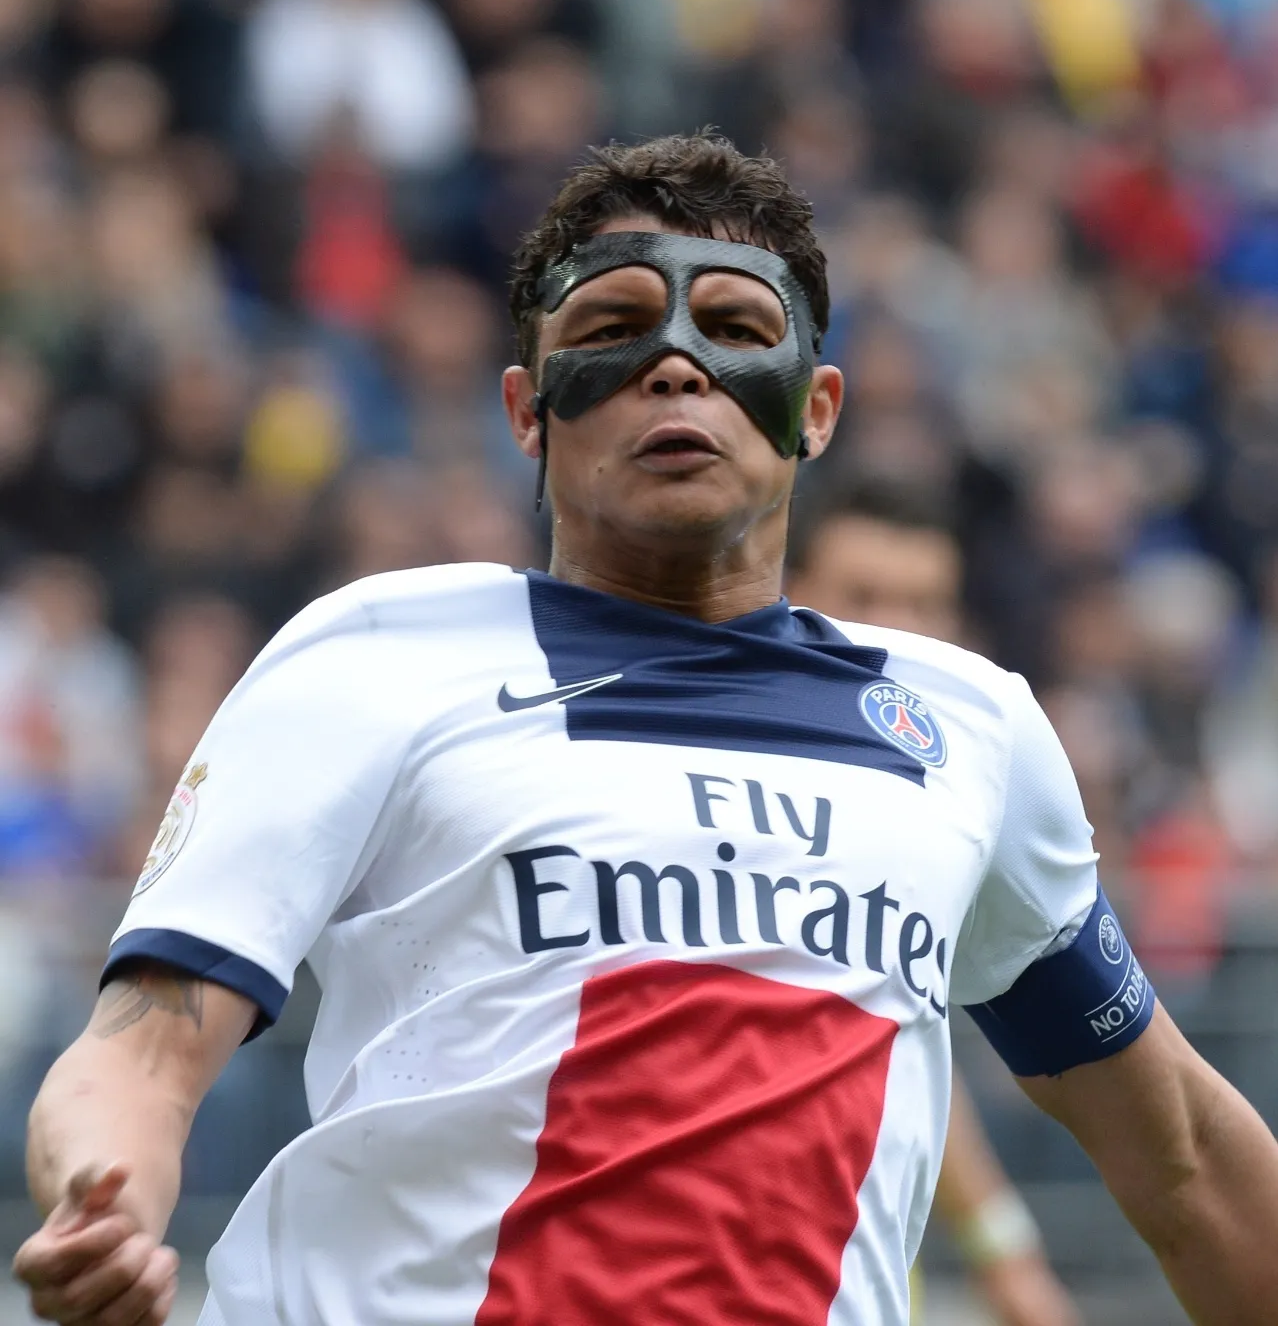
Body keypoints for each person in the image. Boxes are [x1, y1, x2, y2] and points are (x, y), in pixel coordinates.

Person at [15, 130, 1278, 1326]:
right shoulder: (376, 657)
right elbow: (139, 1054)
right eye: (614, 328)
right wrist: (99, 1194)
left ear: (816, 408)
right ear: (527, 409)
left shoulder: (972, 730)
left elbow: (1177, 1157)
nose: (677, 366)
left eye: (735, 329)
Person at [788, 485, 1081, 1326]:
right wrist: (1006, 1257)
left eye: (922, 604)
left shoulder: (955, 789)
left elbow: (896, 1041)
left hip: (863, 1284)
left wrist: (1004, 1253)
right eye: (865, 597)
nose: (895, 632)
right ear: (789, 591)